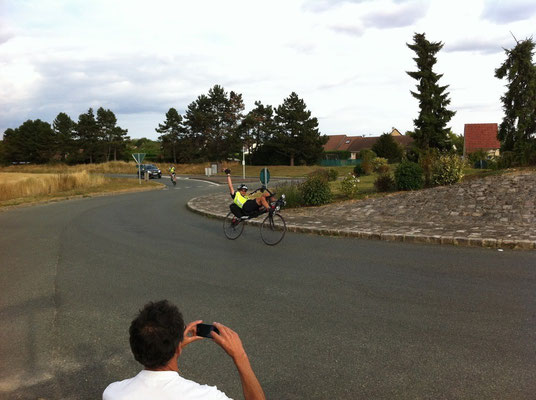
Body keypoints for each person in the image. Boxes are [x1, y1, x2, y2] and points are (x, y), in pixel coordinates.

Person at [103, 300, 265, 400]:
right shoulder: (206, 396)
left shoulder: (113, 393)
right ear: (178, 347)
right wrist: (240, 356)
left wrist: (175, 347)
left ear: (135, 348)